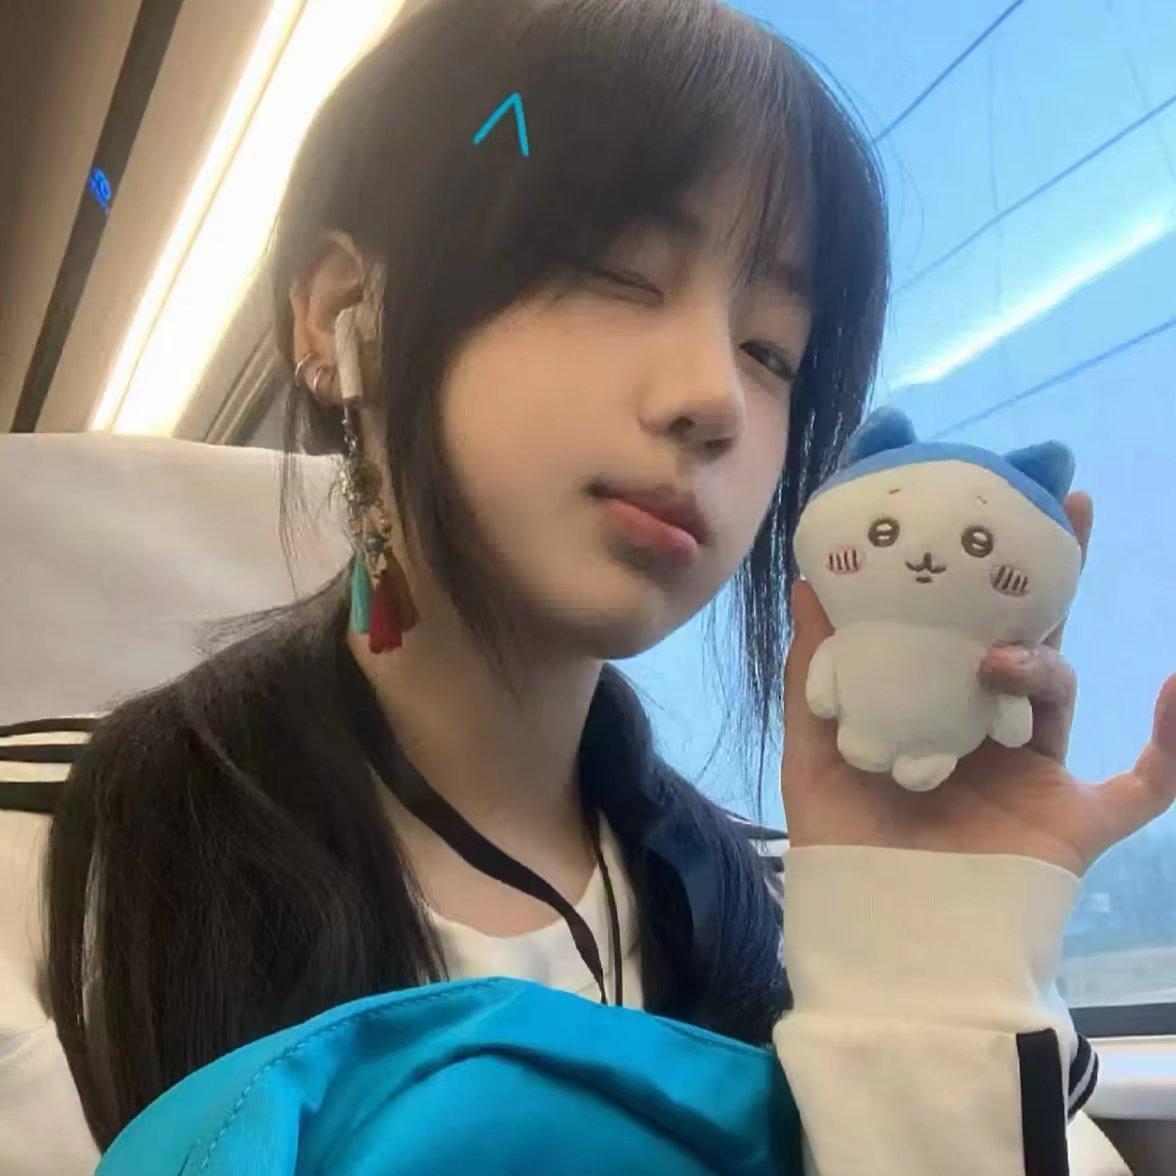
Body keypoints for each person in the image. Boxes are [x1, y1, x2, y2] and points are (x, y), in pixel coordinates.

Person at [18, 0, 1174, 1170]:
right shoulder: (56, 857)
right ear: (337, 318)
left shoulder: (800, 900)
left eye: (771, 350)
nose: (715, 400)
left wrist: (938, 953)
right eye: (614, 272)